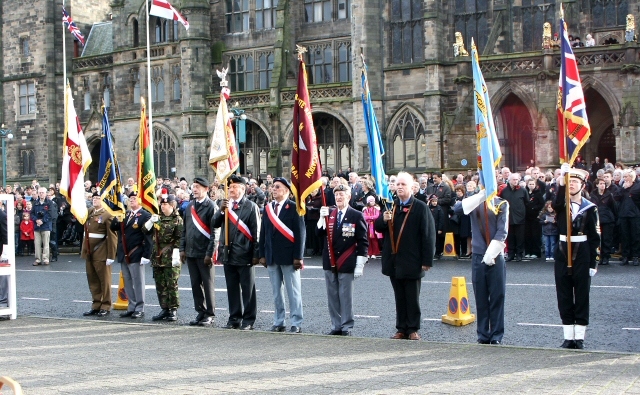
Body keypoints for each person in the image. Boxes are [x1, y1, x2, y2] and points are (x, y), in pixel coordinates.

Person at [375, 172, 435, 341]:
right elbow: (379, 228)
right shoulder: (391, 206)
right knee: (399, 297)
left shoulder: (420, 207)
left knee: (412, 297)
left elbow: (428, 235)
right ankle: (401, 328)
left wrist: (426, 260)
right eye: (397, 184)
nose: (400, 187)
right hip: (394, 261)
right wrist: (383, 220)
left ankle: (413, 328)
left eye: (403, 184)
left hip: (412, 260)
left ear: (411, 187)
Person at [454, 187, 509, 345]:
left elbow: (502, 231)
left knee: (497, 296)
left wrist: (492, 252)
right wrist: (479, 197)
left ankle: (497, 335)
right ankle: (483, 335)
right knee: (481, 297)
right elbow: (457, 209)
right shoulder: (475, 203)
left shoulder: (501, 204)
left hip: (495, 255)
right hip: (478, 256)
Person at [553, 166, 600, 349]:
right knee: (563, 294)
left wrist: (593, 262)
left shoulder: (590, 208)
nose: (572, 184)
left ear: (582, 185)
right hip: (563, 252)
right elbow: (556, 204)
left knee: (581, 295)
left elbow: (596, 237)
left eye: (575, 182)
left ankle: (579, 337)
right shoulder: (561, 204)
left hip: (582, 253)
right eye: (570, 181)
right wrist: (561, 183)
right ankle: (568, 336)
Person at [317, 183, 368, 336]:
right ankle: (336, 324)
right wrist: (321, 218)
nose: (339, 197)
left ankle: (346, 326)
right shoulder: (330, 214)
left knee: (345, 296)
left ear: (349, 196)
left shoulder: (356, 215)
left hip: (346, 259)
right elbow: (319, 235)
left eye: (342, 194)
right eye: (336, 194)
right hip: (330, 260)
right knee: (332, 295)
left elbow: (363, 241)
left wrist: (360, 264)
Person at [213, 175, 261, 330]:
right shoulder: (225, 205)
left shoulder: (250, 206)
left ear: (242, 188)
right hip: (228, 252)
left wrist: (255, 254)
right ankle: (234, 318)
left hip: (244, 252)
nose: (231, 190)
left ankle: (248, 320)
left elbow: (256, 232)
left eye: (234, 187)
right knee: (232, 288)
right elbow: (214, 224)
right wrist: (221, 211)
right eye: (230, 187)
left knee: (248, 289)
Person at [258, 177, 305, 333]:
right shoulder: (268, 208)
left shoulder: (294, 208)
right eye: (273, 187)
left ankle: (296, 322)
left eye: (277, 187)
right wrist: (262, 254)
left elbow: (300, 234)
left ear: (286, 190)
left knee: (293, 291)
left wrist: (298, 256)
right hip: (272, 255)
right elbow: (263, 233)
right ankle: (279, 321)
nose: (274, 189)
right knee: (276, 292)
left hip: (289, 255)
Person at [180, 177, 219, 326]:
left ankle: (210, 313)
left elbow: (215, 233)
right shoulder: (189, 206)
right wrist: (182, 249)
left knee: (208, 284)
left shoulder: (211, 207)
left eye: (197, 187)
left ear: (206, 189)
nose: (194, 189)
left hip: (204, 252)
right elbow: (185, 230)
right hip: (191, 251)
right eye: (193, 186)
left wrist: (210, 253)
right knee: (195, 284)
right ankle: (200, 312)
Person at [110, 191, 153, 319]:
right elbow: (114, 227)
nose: (131, 200)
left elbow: (148, 236)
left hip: (136, 252)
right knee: (128, 281)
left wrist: (147, 254)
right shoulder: (126, 214)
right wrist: (117, 218)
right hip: (124, 252)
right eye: (130, 199)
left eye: (134, 198)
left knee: (138, 282)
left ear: (140, 200)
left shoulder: (145, 215)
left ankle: (140, 307)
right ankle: (131, 306)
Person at [147, 193, 183, 322]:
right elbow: (144, 231)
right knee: (160, 284)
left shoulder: (177, 220)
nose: (163, 207)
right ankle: (164, 308)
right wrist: (151, 221)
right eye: (161, 204)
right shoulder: (158, 218)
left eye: (165, 204)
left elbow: (180, 238)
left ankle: (173, 309)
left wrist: (176, 254)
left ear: (172, 205)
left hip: (170, 255)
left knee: (171, 284)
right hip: (157, 256)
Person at [81, 192, 118, 317]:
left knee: (104, 281)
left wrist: (111, 256)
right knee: (93, 280)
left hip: (101, 252)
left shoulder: (107, 214)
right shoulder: (90, 212)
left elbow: (112, 236)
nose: (95, 200)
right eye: (94, 198)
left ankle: (106, 305)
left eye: (98, 198)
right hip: (89, 252)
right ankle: (96, 304)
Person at [612, 168, 640, 266]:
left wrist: (631, 194)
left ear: (631, 177)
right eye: (623, 177)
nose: (624, 178)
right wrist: (623, 188)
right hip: (623, 214)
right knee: (624, 236)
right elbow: (616, 197)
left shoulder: (637, 186)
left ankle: (636, 256)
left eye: (626, 176)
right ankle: (625, 256)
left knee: (635, 236)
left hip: (635, 215)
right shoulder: (621, 187)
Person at [499, 173, 529, 261]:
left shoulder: (523, 190)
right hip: (508, 217)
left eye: (516, 180)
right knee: (510, 237)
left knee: (520, 237)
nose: (515, 181)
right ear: (509, 180)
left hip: (520, 218)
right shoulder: (504, 191)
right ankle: (511, 254)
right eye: (514, 180)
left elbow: (527, 203)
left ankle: (519, 254)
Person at [589, 178, 616, 265]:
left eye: (604, 184)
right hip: (596, 219)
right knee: (598, 239)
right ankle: (599, 256)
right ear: (597, 185)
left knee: (606, 239)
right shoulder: (592, 195)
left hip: (607, 220)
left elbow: (613, 207)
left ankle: (606, 256)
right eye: (600, 183)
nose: (602, 185)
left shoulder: (609, 195)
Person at [31, 187, 55, 266]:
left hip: (46, 226)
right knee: (37, 244)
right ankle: (38, 259)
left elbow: (50, 214)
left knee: (46, 244)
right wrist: (36, 220)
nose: (41, 194)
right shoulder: (35, 203)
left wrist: (42, 221)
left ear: (45, 193)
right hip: (37, 227)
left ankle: (46, 259)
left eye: (42, 192)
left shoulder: (49, 203)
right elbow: (32, 214)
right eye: (40, 192)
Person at [524, 178, 544, 259]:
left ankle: (536, 252)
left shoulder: (538, 194)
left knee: (535, 235)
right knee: (528, 235)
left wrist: (534, 208)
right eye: (530, 184)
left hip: (535, 217)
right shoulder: (525, 193)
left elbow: (541, 204)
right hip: (527, 217)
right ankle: (528, 251)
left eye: (533, 184)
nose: (531, 186)